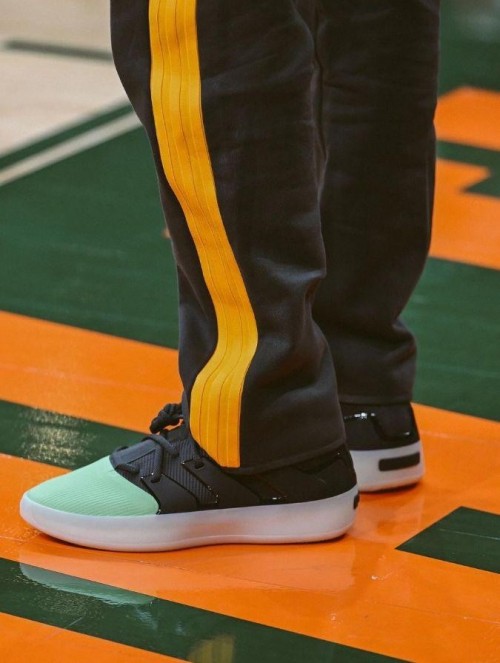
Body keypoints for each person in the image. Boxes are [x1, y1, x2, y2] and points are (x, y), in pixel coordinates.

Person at [20, 0, 439, 551]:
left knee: (211, 19)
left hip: (260, 444)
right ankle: (354, 387)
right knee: (373, 16)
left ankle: (258, 434)